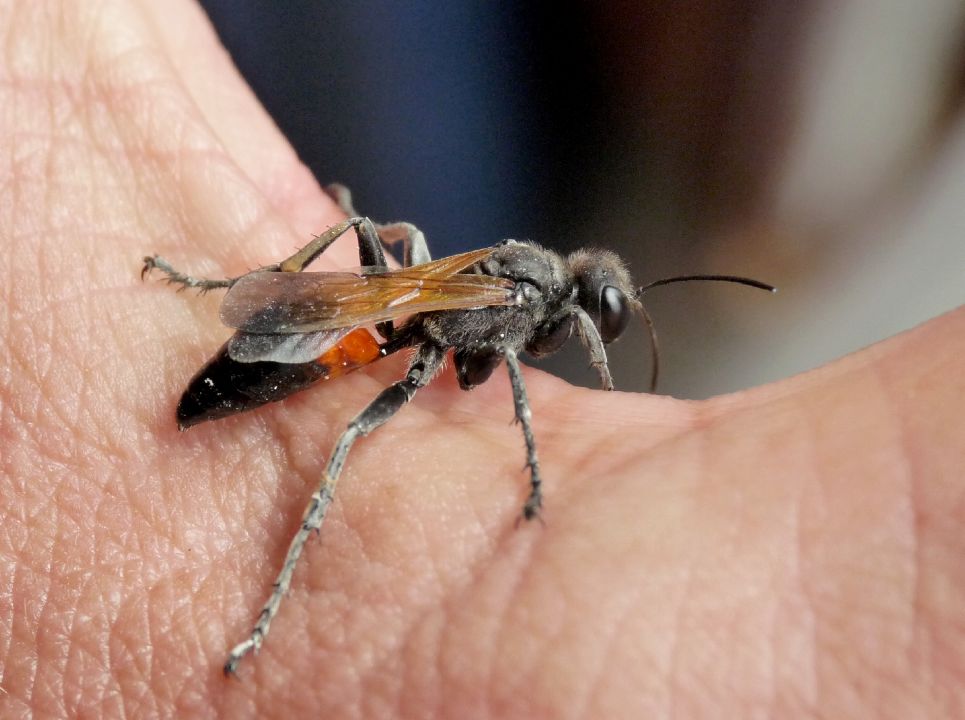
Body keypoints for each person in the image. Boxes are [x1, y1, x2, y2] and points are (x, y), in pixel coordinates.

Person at [1, 1, 961, 717]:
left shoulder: (530, 275)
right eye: (598, 323)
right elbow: (502, 374)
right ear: (576, 305)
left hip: (386, 317)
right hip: (350, 335)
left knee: (386, 235)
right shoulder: (519, 297)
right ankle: (278, 580)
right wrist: (537, 467)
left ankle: (233, 292)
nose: (594, 332)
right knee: (350, 430)